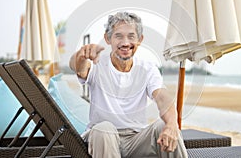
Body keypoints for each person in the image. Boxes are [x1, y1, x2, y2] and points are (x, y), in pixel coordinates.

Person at [69, 11, 188, 158]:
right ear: (108, 39)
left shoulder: (148, 68)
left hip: (136, 139)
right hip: (102, 138)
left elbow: (162, 97)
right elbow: (78, 68)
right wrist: (80, 56)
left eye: (131, 36)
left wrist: (172, 124)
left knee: (163, 126)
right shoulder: (97, 64)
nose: (125, 43)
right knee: (104, 129)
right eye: (118, 36)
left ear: (140, 39)